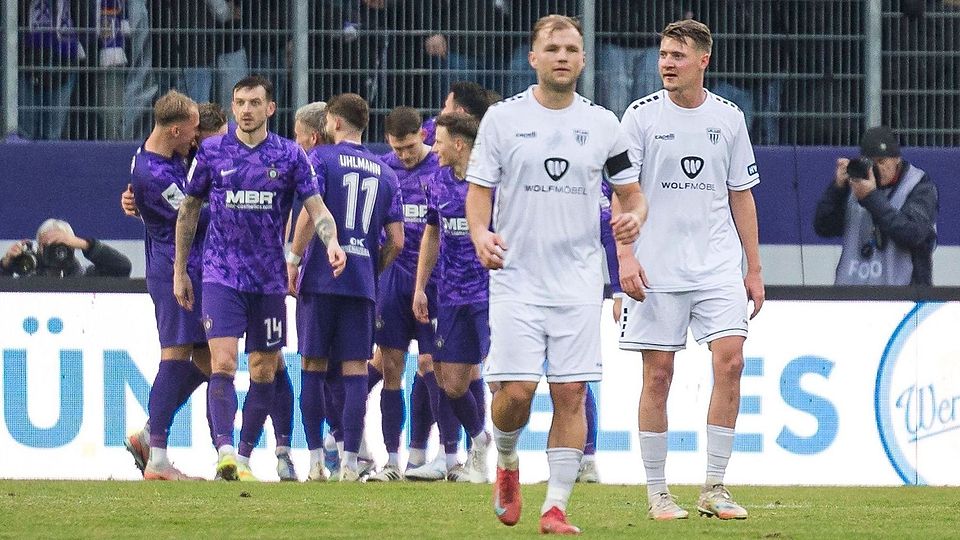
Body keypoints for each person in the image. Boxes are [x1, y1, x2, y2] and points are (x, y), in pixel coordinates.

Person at [466, 15, 648, 534]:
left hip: (577, 282)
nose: (563, 56)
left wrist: (634, 219)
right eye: (553, 48)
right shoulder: (502, 120)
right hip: (516, 279)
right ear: (534, 58)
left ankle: (556, 507)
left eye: (572, 48)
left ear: (584, 59)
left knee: (571, 394)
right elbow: (479, 190)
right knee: (517, 392)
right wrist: (481, 233)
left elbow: (631, 194)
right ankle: (505, 460)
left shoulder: (603, 124)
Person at [617, 19, 763, 521]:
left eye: (677, 55)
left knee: (731, 361)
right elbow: (620, 194)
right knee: (658, 375)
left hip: (717, 263)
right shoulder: (638, 118)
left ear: (704, 60)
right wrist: (627, 257)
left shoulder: (729, 118)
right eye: (662, 55)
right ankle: (659, 493)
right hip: (656, 265)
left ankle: (714, 487)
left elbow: (740, 195)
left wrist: (754, 269)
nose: (667, 64)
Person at [173, 75, 346, 482]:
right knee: (224, 361)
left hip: (268, 280)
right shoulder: (212, 152)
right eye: (239, 102)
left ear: (270, 108)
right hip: (221, 275)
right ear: (232, 108)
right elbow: (188, 211)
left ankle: (246, 458)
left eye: (254, 102)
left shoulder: (289, 156)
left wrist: (332, 242)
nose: (246, 110)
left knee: (264, 370)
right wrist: (181, 270)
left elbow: (316, 208)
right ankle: (225, 452)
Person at [286, 93, 403, 482]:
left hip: (320, 278)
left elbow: (309, 211)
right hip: (360, 283)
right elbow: (397, 240)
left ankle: (317, 460)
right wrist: (372, 266)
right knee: (355, 371)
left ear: (333, 123)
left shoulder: (320, 158)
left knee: (313, 368)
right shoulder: (386, 172)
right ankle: (352, 463)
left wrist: (294, 258)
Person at [122, 90, 209, 481]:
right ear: (175, 130)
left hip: (196, 268)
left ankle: (148, 433)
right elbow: (193, 219)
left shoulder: (160, 155)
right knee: (174, 356)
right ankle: (156, 459)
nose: (196, 137)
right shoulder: (152, 175)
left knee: (209, 361)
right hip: (174, 270)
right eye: (192, 131)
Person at [370, 106, 447, 480]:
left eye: (410, 146)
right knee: (391, 368)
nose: (404, 155)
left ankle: (438, 453)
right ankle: (391, 459)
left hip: (436, 282)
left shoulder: (442, 167)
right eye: (398, 148)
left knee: (434, 367)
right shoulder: (383, 170)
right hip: (394, 281)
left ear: (423, 134)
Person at [413, 112, 491, 484]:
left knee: (504, 379)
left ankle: (503, 458)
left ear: (459, 144)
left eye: (439, 141)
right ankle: (480, 440)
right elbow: (432, 234)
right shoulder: (437, 183)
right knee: (452, 383)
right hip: (451, 296)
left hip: (492, 295)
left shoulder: (493, 182)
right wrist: (419, 287)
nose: (434, 147)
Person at [813, 126, 938, 285]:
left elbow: (912, 234)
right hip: (851, 294)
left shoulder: (919, 186)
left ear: (897, 159)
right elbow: (824, 227)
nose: (878, 168)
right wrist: (837, 188)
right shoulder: (855, 183)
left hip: (902, 297)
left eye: (882, 161)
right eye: (871, 162)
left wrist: (871, 198)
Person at [1, 219, 131, 278]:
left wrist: (85, 245)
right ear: (39, 247)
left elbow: (122, 268)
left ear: (73, 246)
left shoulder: (86, 278)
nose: (54, 251)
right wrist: (6, 264)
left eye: (61, 244)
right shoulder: (27, 280)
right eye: (48, 245)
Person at [422, 81, 490, 146]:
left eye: (446, 106)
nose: (441, 112)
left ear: (459, 112)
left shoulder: (432, 130)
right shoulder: (491, 139)